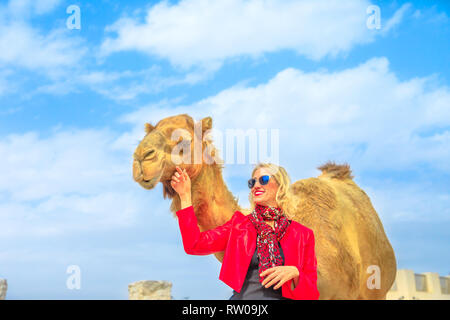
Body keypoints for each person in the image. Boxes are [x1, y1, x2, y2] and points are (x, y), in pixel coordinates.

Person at [171, 162, 320, 300]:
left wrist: (296, 273)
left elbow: (312, 293)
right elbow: (194, 244)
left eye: (263, 179)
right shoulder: (239, 226)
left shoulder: (302, 234)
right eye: (252, 182)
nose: (255, 185)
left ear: (280, 186)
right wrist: (185, 197)